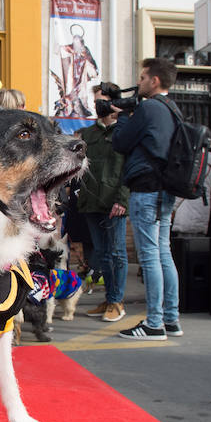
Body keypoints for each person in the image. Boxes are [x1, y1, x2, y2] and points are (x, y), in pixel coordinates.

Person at [112, 57, 183, 341]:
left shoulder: (149, 108)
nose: (139, 82)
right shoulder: (172, 109)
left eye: (142, 78)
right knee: (164, 253)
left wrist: (121, 117)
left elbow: (121, 143)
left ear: (154, 81)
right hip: (166, 190)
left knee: (150, 255)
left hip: (146, 189)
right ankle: (171, 319)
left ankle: (154, 323)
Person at [79, 82, 130, 322]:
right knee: (102, 254)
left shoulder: (125, 130)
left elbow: (129, 170)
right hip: (91, 202)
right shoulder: (89, 134)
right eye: (96, 100)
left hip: (114, 203)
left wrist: (122, 199)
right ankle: (109, 298)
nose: (97, 105)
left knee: (118, 253)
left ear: (114, 102)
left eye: (102, 100)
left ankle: (117, 302)